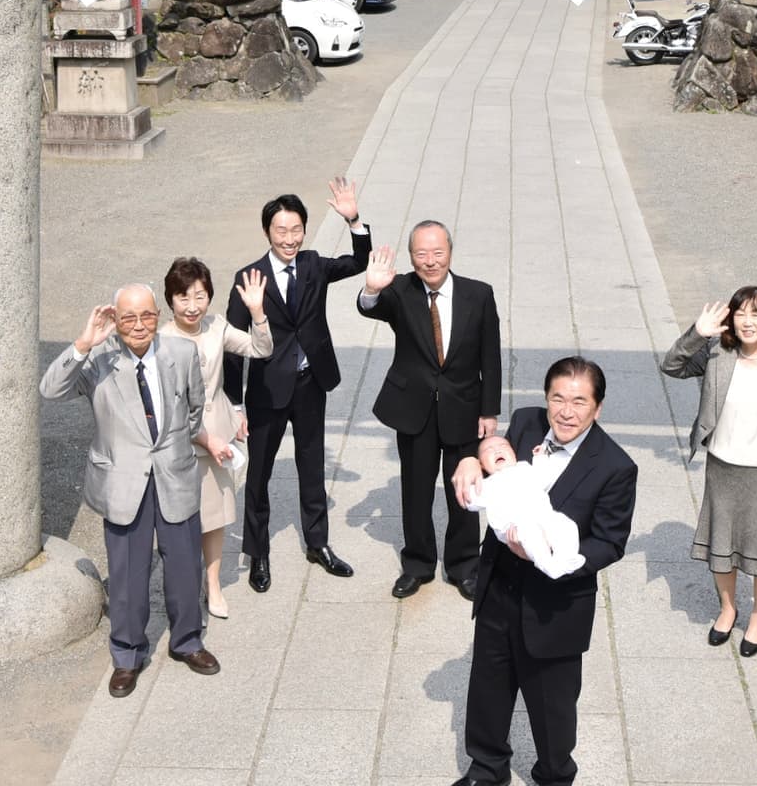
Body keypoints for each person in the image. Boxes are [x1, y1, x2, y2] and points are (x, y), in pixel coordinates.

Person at [450, 356, 637, 786]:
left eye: (579, 401)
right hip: (498, 585)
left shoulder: (615, 466)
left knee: (552, 708)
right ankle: (487, 769)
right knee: (488, 687)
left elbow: (609, 543)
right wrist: (467, 461)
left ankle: (554, 775)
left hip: (555, 607)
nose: (566, 411)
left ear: (598, 407)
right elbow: (491, 458)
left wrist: (548, 556)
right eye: (558, 398)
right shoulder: (526, 422)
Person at [40, 284, 227, 698]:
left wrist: (183, 442)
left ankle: (187, 641)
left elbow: (194, 408)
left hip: (174, 473)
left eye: (146, 316)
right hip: (123, 481)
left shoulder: (180, 353)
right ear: (115, 320)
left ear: (158, 314)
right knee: (127, 574)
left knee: (183, 566)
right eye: (129, 318)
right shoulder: (99, 363)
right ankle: (127, 654)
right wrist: (84, 342)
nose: (139, 325)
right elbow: (50, 390)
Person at [224, 176, 370, 593]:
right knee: (259, 475)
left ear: (305, 230)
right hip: (267, 391)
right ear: (268, 232)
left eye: (296, 230)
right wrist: (235, 404)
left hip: (310, 383)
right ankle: (258, 553)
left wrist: (353, 219)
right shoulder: (249, 277)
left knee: (312, 466)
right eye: (280, 231)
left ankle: (318, 544)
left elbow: (358, 263)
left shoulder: (313, 265)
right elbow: (233, 348)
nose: (289, 238)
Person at [660, 286, 757, 658]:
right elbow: (671, 365)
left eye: (756, 314)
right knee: (720, 547)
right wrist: (697, 332)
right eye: (741, 313)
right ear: (731, 320)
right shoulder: (716, 354)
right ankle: (728, 609)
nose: (748, 321)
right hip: (722, 467)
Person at [359, 222, 501, 599]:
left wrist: (490, 410)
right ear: (411, 258)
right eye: (421, 254)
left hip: (464, 409)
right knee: (416, 492)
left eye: (437, 253)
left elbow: (491, 355)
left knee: (465, 492)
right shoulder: (401, 290)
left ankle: (464, 565)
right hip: (414, 410)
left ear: (450, 253)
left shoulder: (479, 294)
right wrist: (372, 287)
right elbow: (370, 307)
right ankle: (418, 564)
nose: (430, 261)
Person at [159, 256, 273, 619]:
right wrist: (205, 439)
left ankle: (213, 586)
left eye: (200, 296)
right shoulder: (161, 341)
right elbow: (168, 409)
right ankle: (183, 587)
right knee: (182, 520)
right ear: (170, 300)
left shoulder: (217, 326)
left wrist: (257, 313)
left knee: (216, 516)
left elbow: (261, 348)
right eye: (183, 297)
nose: (192, 306)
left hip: (220, 435)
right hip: (182, 442)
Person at [465, 434, 584, 581]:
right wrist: (469, 479)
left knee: (566, 525)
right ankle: (548, 565)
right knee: (533, 536)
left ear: (514, 454)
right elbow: (470, 502)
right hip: (515, 526)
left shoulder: (525, 468)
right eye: (488, 450)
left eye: (503, 446)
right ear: (481, 465)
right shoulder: (487, 484)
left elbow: (544, 477)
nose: (497, 451)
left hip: (543, 515)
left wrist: (540, 458)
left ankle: (566, 557)